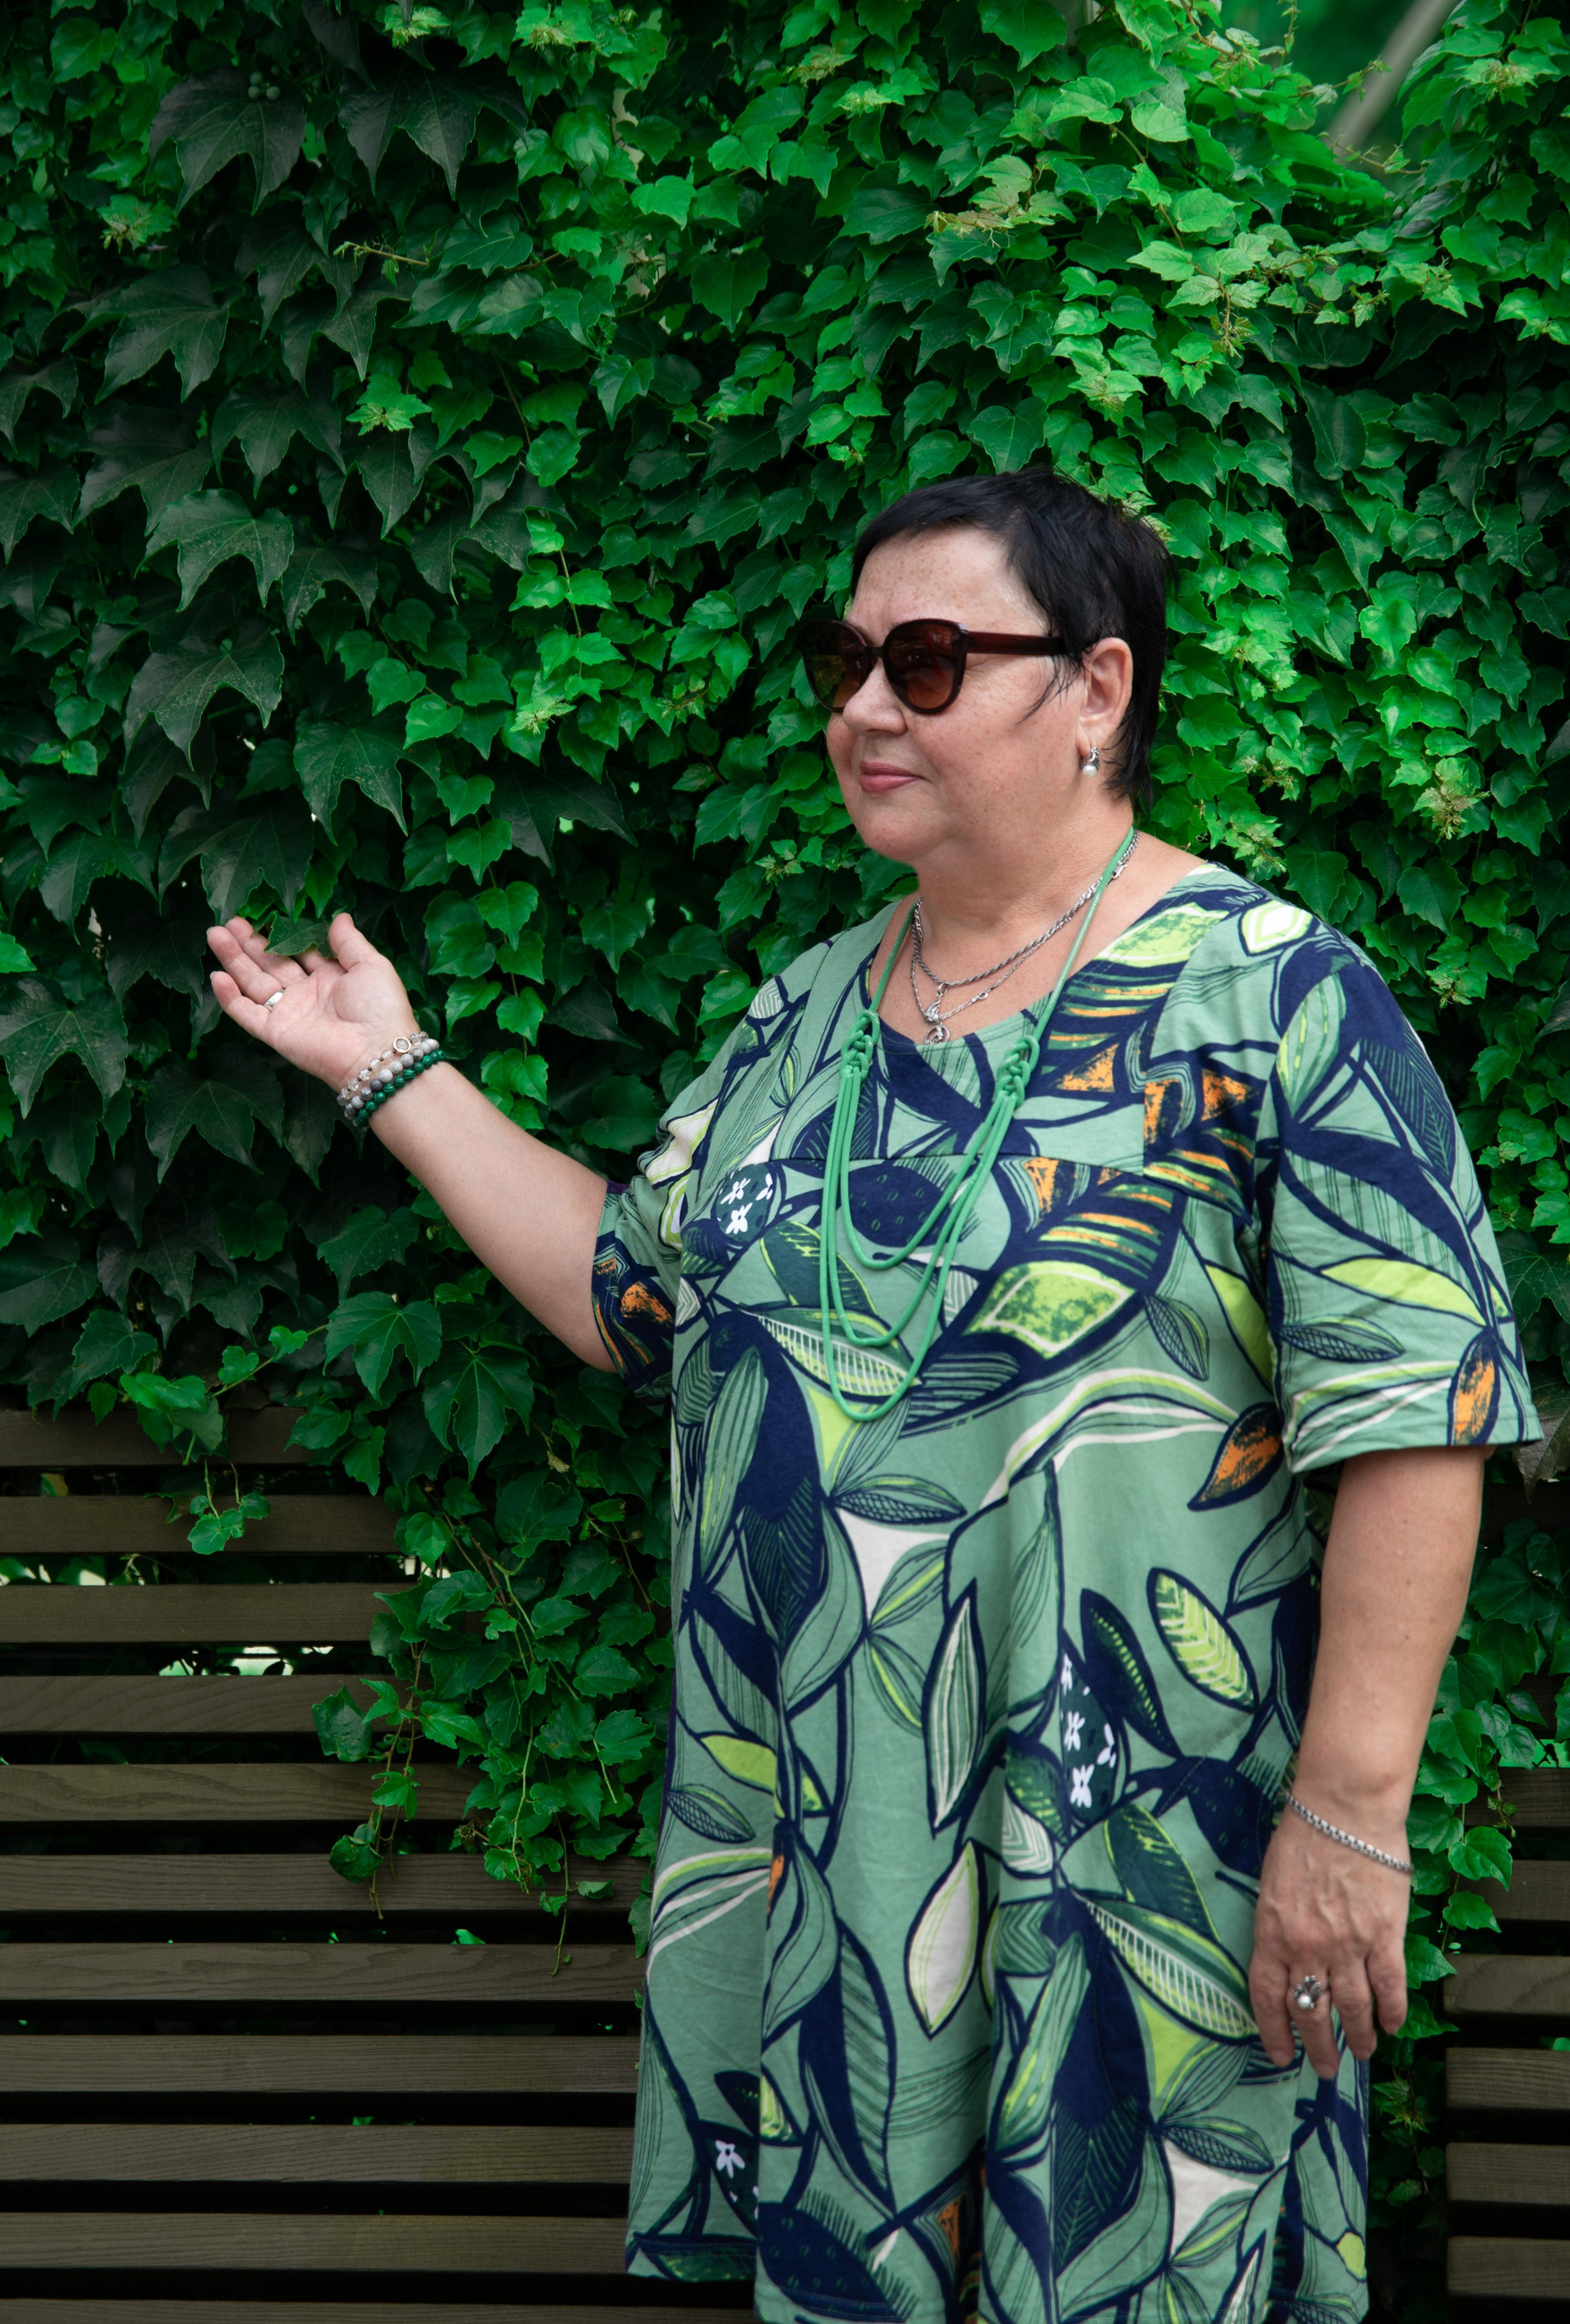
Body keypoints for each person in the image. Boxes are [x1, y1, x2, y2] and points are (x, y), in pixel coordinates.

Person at [207, 468, 1534, 2324]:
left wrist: (1349, 1813)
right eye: (846, 662)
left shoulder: (1277, 999)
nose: (862, 709)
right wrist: (395, 1069)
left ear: (1095, 689)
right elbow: (635, 1297)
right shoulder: (807, 1014)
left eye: (924, 663)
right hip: (830, 1852)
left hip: (1136, 1853)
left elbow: (1415, 1412)